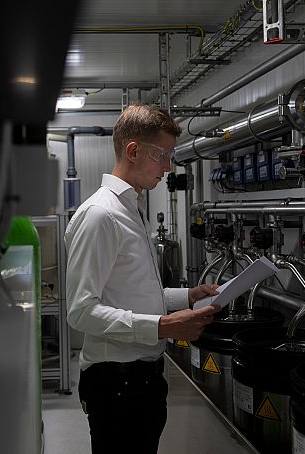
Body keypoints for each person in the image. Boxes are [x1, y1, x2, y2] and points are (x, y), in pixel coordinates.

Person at [65, 104, 221, 454]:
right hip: (116, 382)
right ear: (133, 151)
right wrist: (163, 327)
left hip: (141, 378)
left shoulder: (131, 209)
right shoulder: (101, 215)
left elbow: (131, 293)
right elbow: (80, 311)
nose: (168, 167)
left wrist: (188, 297)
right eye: (162, 155)